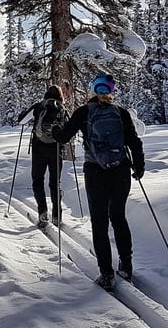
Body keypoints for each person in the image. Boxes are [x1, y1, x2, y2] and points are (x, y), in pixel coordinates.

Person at [53, 71, 144, 291]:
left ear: (94, 90)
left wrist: (56, 129)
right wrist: (138, 167)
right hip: (121, 171)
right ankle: (126, 266)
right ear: (111, 92)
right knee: (119, 218)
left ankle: (106, 274)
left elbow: (63, 137)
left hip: (95, 172)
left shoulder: (84, 112)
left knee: (100, 223)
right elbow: (134, 142)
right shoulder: (120, 113)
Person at [18, 85, 68, 228]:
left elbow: (21, 121)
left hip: (39, 148)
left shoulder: (39, 106)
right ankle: (57, 216)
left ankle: (43, 213)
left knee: (38, 181)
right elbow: (69, 128)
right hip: (56, 148)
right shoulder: (62, 109)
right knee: (55, 183)